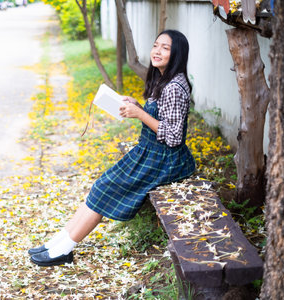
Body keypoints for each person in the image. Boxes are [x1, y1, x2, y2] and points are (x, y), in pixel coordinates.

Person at [28, 30, 196, 267]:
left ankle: (64, 249)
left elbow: (174, 137)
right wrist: (138, 106)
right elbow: (163, 120)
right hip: (151, 152)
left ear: (177, 53)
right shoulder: (164, 79)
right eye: (156, 45)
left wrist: (139, 114)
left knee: (105, 189)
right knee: (101, 186)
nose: (157, 51)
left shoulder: (174, 88)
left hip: (165, 160)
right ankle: (56, 243)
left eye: (165, 48)